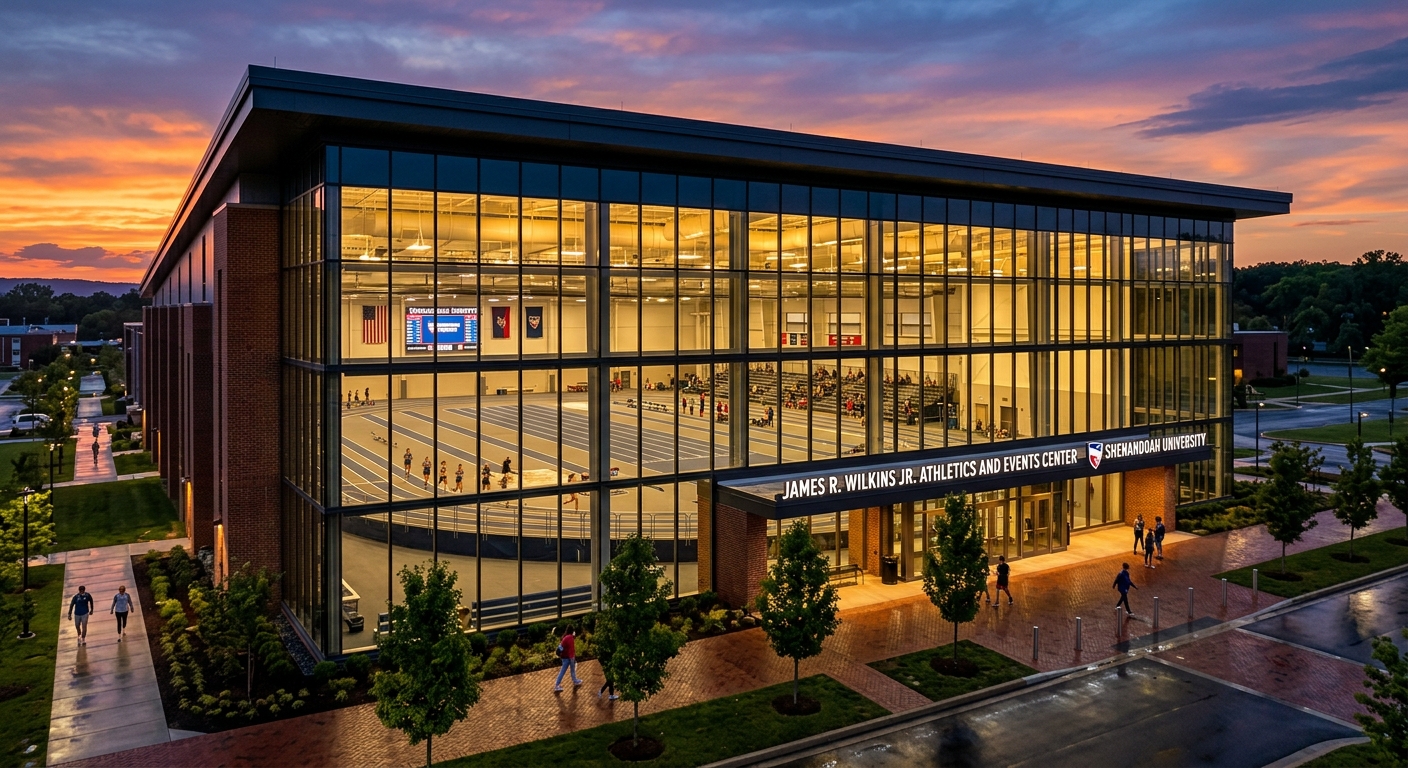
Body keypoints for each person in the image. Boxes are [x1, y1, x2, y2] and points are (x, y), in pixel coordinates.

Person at [553, 624, 584, 692]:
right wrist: (572, 658)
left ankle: (575, 680)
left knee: (569, 670)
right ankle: (557, 685)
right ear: (572, 631)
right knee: (564, 671)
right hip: (568, 657)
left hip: (565, 657)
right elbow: (571, 649)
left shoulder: (566, 637)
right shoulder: (570, 638)